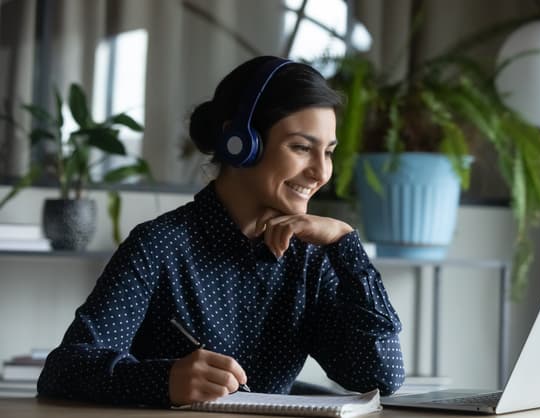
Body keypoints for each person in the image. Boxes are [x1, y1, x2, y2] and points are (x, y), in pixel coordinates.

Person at [37, 56, 405, 406]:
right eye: (301, 147)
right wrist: (165, 380)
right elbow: (64, 370)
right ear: (240, 142)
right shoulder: (159, 245)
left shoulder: (311, 257)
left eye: (328, 152)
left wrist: (345, 243)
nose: (321, 173)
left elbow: (381, 376)